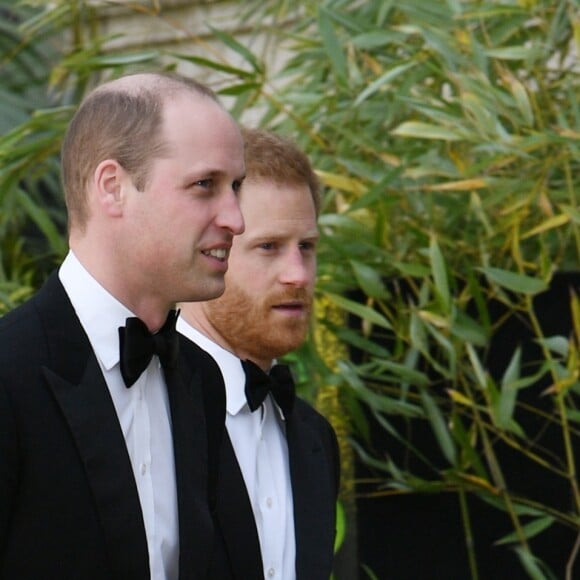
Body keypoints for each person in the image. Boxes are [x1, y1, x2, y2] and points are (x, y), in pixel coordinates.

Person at [0, 72, 246, 580]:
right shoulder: (9, 373)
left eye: (235, 188)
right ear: (112, 188)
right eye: (205, 185)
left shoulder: (202, 378)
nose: (237, 219)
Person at [178, 128, 340, 580]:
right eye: (268, 247)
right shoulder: (138, 406)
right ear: (209, 248)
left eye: (306, 248)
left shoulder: (315, 440)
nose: (297, 274)